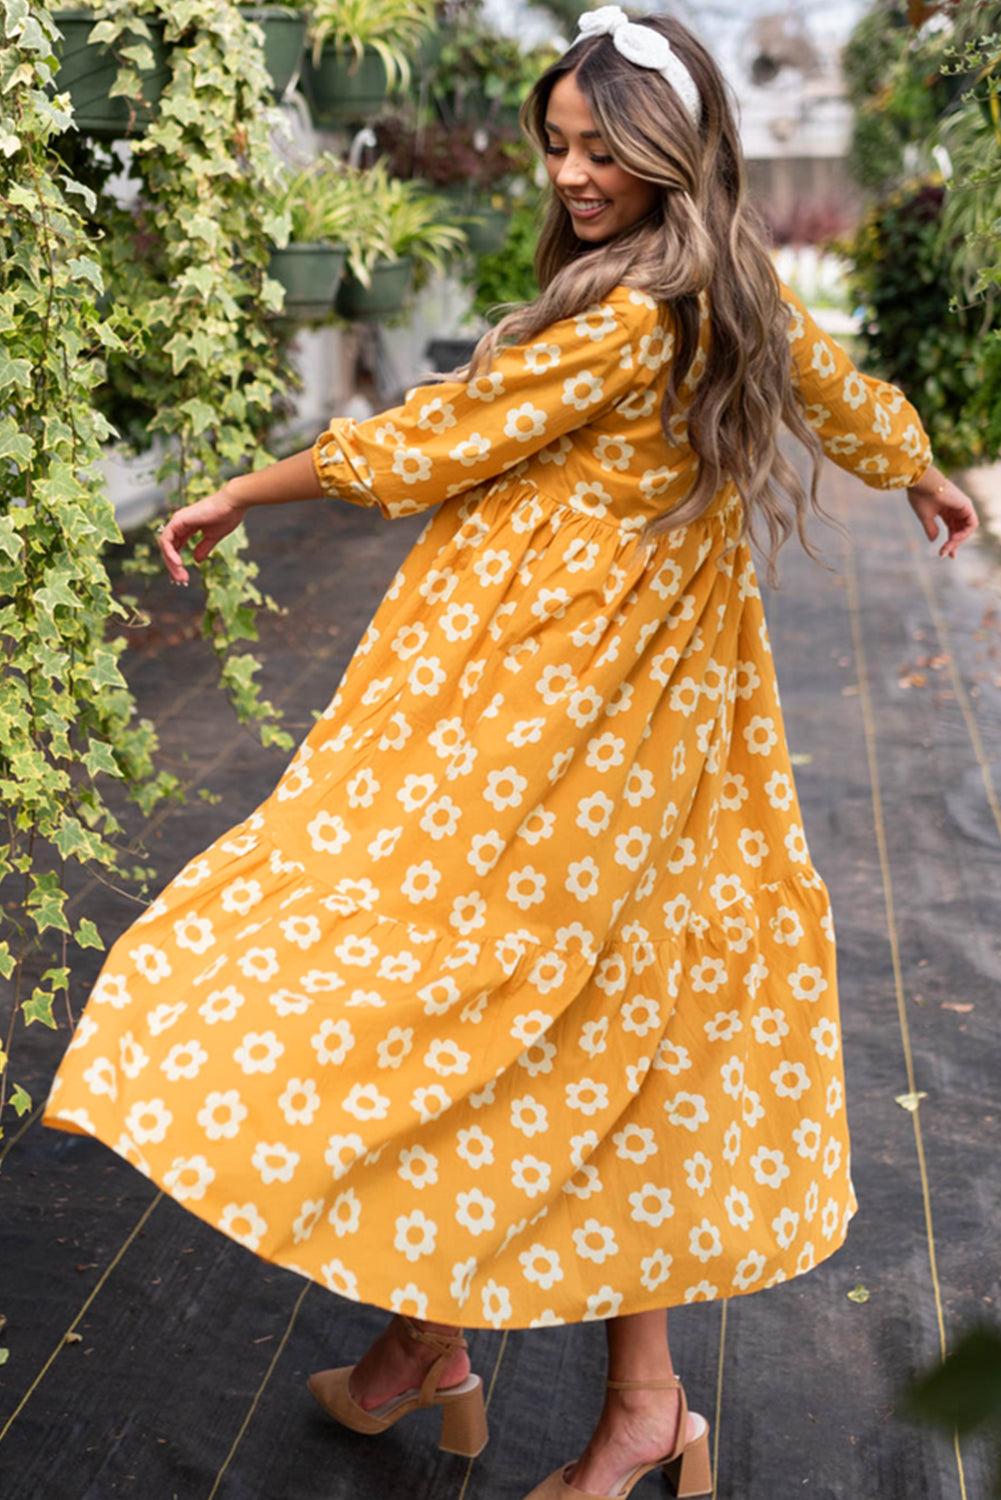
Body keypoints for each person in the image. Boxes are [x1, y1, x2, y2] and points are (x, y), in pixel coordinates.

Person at [42, 7, 978, 1499]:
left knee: (464, 978)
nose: (571, 173)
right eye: (557, 144)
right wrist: (918, 465)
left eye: (602, 148)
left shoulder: (627, 319)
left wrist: (243, 489)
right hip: (646, 703)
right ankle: (470, 1354)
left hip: (558, 709)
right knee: (587, 1007)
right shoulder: (725, 286)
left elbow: (432, 441)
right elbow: (834, 391)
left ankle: (537, 1376)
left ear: (671, 152)